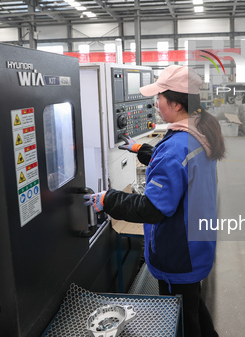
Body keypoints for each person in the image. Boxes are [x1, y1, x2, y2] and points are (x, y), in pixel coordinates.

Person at [84, 65, 225, 337]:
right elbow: (180, 170)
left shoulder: (175, 148)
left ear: (175, 103)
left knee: (181, 321)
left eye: (158, 97)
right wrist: (143, 150)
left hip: (178, 253)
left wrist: (108, 199)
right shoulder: (200, 131)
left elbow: (153, 209)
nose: (156, 103)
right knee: (191, 303)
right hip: (197, 245)